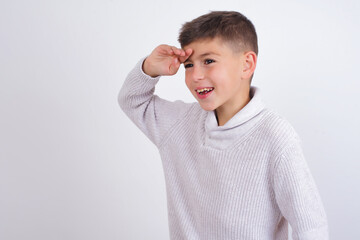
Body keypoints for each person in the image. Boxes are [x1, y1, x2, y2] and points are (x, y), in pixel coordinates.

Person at [118, 11, 329, 240]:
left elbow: (311, 227)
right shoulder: (180, 124)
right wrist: (149, 67)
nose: (195, 75)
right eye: (188, 65)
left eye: (208, 61)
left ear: (247, 64)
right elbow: (132, 100)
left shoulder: (276, 138)